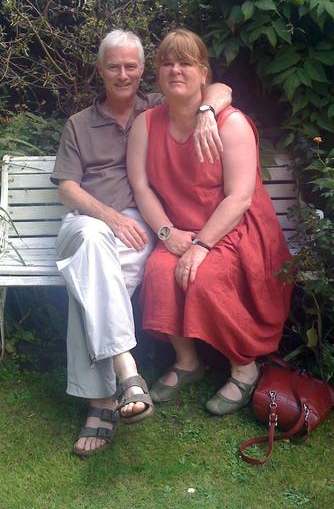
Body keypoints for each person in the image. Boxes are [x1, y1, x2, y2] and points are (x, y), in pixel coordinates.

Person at [51, 29, 232, 456]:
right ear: (100, 70)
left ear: (141, 70)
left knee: (89, 287)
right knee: (93, 248)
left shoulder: (157, 107)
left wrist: (206, 109)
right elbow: (67, 189)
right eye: (113, 66)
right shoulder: (79, 124)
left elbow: (221, 87)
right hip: (87, 222)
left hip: (137, 229)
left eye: (131, 65)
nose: (123, 73)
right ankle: (127, 370)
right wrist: (108, 217)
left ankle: (102, 401)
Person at [127, 29, 293, 416]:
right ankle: (188, 362)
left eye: (185, 62)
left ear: (204, 73)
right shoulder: (146, 124)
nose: (175, 70)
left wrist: (201, 246)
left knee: (204, 279)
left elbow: (240, 197)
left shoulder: (230, 123)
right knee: (158, 271)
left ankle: (244, 367)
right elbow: (140, 186)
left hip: (235, 230)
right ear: (158, 73)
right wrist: (167, 235)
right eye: (167, 62)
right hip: (181, 231)